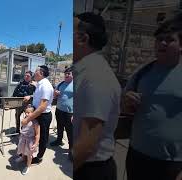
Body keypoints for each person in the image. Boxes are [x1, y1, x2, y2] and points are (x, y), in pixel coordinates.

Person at [122, 13, 182, 180]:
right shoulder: (142, 72)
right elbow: (125, 109)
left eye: (169, 39)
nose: (162, 43)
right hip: (137, 155)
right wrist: (127, 103)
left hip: (172, 162)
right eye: (159, 39)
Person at [73, 12, 121, 180]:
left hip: (91, 170)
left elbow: (86, 146)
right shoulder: (87, 72)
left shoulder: (95, 76)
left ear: (82, 39)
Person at [22, 65, 53, 165]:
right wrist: (31, 106)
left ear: (41, 73)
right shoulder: (40, 84)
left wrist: (28, 119)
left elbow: (42, 107)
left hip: (43, 116)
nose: (34, 73)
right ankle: (28, 152)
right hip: (37, 113)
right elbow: (38, 98)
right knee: (34, 135)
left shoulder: (46, 86)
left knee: (42, 137)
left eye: (36, 71)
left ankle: (39, 157)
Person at [50, 67, 73, 161]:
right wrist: (55, 94)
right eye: (65, 73)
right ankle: (59, 140)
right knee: (59, 127)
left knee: (70, 131)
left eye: (69, 73)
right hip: (59, 110)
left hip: (70, 113)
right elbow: (54, 96)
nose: (66, 75)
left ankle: (72, 149)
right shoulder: (60, 84)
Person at [15, 105, 40, 175]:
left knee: (29, 154)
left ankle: (28, 166)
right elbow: (23, 128)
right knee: (22, 149)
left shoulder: (35, 122)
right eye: (26, 112)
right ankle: (22, 157)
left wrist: (36, 143)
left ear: (34, 113)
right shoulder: (25, 119)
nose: (27, 114)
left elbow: (37, 134)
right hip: (23, 138)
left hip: (30, 141)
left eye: (29, 112)